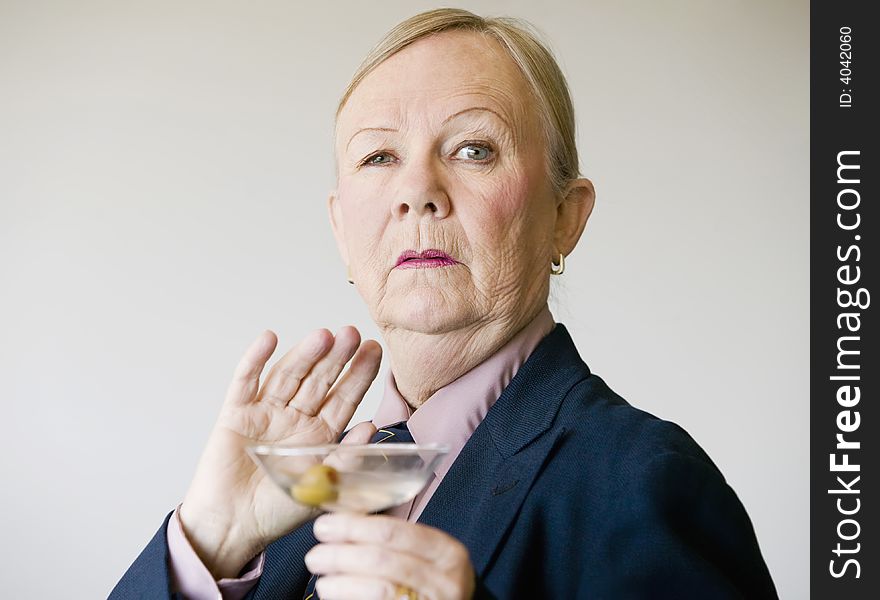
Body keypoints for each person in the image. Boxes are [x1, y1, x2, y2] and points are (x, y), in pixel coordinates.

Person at [111, 8, 778, 600]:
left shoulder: (645, 483)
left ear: (564, 219)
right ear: (343, 231)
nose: (417, 192)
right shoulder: (294, 496)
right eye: (378, 156)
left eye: (473, 149)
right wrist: (207, 541)